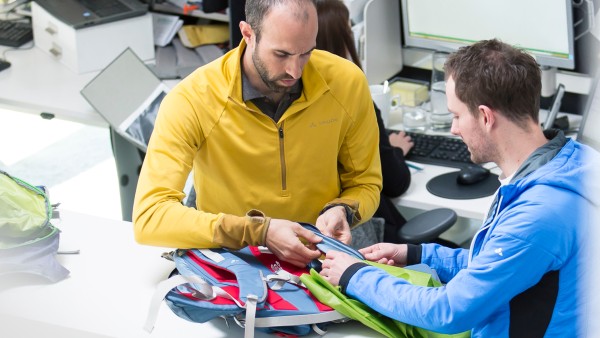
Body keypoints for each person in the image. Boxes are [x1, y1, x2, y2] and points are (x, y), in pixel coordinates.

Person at [318, 39, 600, 336]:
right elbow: (498, 265)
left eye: (456, 115)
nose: (453, 129)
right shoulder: (571, 165)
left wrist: (354, 275)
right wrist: (417, 255)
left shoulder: (540, 213)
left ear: (486, 116)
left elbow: (448, 311)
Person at [132, 0, 382, 268]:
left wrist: (343, 208)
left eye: (306, 53)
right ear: (248, 34)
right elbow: (150, 216)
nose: (295, 71)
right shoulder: (192, 99)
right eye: (282, 54)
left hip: (322, 255)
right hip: (235, 260)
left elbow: (366, 183)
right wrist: (258, 230)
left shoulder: (346, 82)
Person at [315, 0, 415, 244]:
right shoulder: (352, 100)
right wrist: (395, 151)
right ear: (343, 40)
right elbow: (395, 183)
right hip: (364, 237)